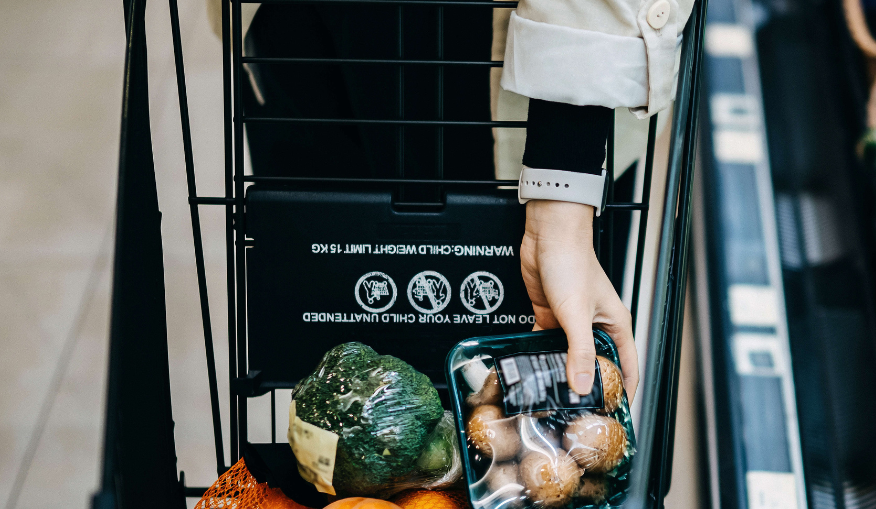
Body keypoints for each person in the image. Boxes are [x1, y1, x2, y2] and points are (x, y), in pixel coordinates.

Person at [213, 0, 692, 399]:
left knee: (521, 425)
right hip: (289, 24)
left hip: (502, 41)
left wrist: (563, 185)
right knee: (332, 390)